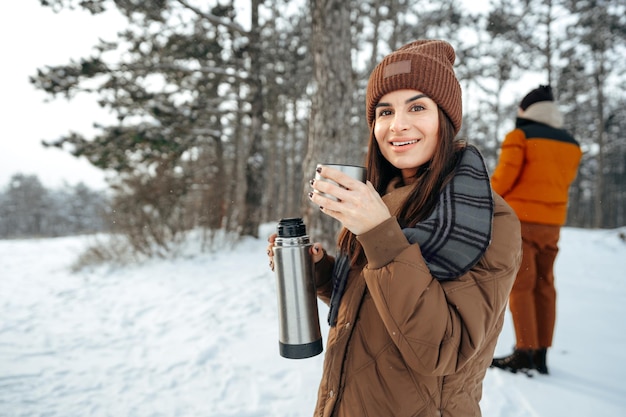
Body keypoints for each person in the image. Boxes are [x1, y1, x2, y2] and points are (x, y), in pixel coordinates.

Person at [267, 40, 522, 416]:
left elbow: (441, 347)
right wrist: (317, 271)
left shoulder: (485, 218)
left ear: (446, 118)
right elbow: (374, 300)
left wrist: (379, 234)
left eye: (417, 107)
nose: (397, 124)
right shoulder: (382, 196)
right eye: (385, 112)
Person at [490, 85, 582, 375]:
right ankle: (541, 353)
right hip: (552, 224)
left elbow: (503, 179)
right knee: (545, 285)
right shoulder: (571, 143)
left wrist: (482, 199)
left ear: (527, 110)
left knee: (522, 285)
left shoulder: (521, 137)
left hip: (521, 222)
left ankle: (524, 351)